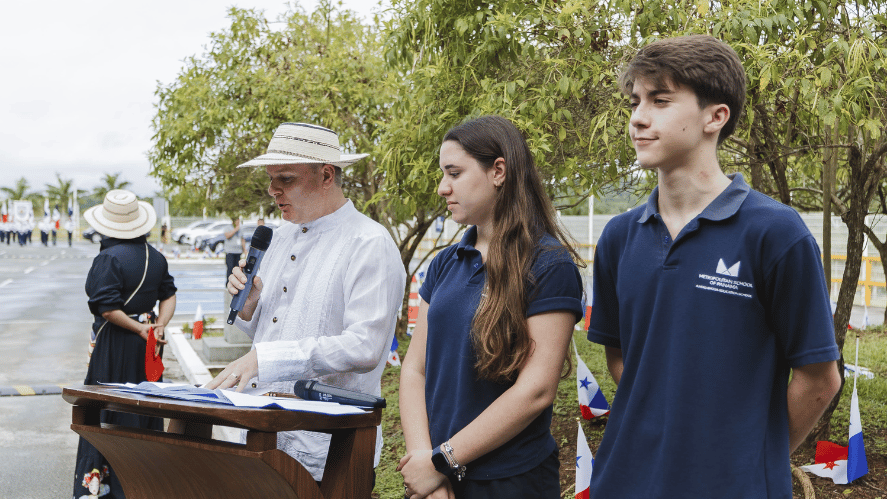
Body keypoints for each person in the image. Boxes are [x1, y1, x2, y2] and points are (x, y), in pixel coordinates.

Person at [586, 35, 842, 498]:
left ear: (715, 116)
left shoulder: (776, 233)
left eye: (660, 100)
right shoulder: (619, 237)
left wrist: (750, 455)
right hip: (623, 480)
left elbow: (820, 380)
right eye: (636, 101)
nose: (638, 118)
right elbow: (622, 357)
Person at [205, 122, 406, 486]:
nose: (273, 190)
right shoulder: (278, 239)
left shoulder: (369, 243)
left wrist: (265, 360)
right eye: (271, 179)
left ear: (326, 175)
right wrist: (250, 308)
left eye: (285, 179)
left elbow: (364, 347)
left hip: (329, 451)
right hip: (261, 437)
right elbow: (274, 329)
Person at [397, 115, 584, 499]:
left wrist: (442, 460)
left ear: (498, 171)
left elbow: (536, 391)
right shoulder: (446, 262)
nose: (442, 187)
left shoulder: (548, 265)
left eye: (454, 172)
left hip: (509, 481)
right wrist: (424, 462)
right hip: (439, 479)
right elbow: (415, 369)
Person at [72, 189, 177, 499]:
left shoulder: (107, 258)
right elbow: (169, 294)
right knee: (143, 410)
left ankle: (102, 489)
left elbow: (105, 307)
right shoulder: (154, 256)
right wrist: (156, 326)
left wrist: (138, 328)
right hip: (147, 347)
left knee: (106, 411)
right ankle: (142, 486)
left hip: (115, 344)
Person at [222, 216, 244, 284]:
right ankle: (228, 283)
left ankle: (236, 283)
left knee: (237, 269)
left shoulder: (240, 228)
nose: (238, 222)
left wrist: (244, 249)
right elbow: (227, 236)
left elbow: (242, 239)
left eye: (239, 220)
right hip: (230, 252)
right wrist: (235, 229)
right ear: (233, 221)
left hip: (238, 252)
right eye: (237, 220)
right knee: (230, 268)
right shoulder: (228, 228)